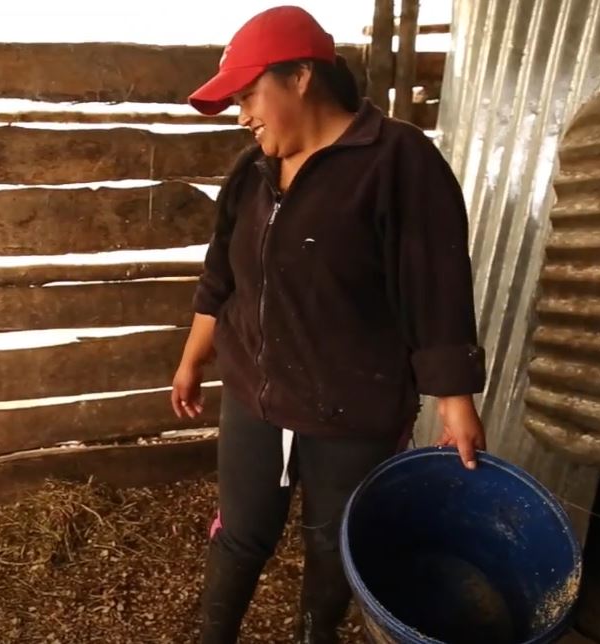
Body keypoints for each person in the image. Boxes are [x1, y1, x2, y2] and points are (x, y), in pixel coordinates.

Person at [170, 6, 488, 643]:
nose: (243, 115)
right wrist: (193, 357)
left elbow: (437, 284)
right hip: (255, 394)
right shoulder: (251, 171)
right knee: (240, 532)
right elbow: (220, 275)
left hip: (354, 407)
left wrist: (455, 402)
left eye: (249, 95)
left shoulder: (397, 160)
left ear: (302, 77)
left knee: (333, 547)